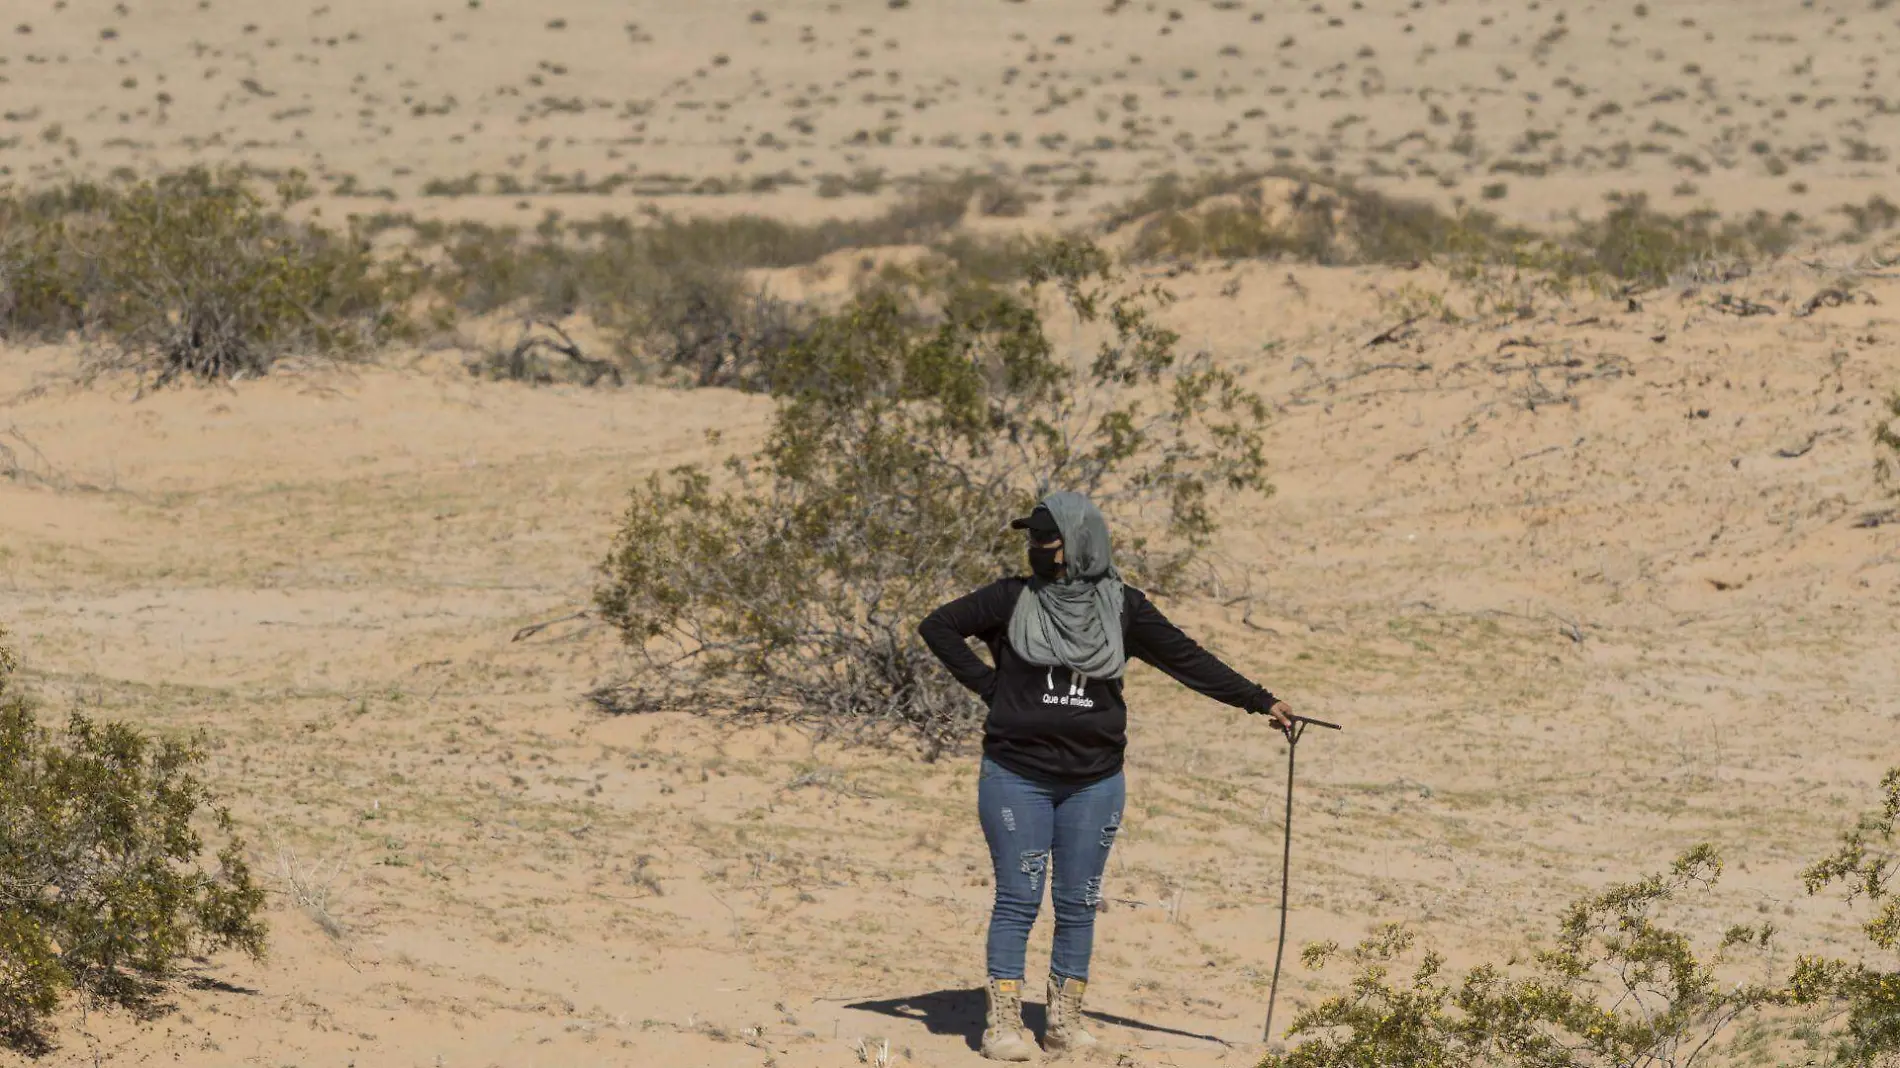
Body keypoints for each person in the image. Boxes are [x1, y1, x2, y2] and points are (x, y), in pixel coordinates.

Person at [918, 491, 1295, 1061]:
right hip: (1016, 774)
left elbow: (1186, 659)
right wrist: (990, 688)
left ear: (1078, 544)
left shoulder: (1124, 608)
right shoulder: (1010, 598)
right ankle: (1003, 1024)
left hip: (1095, 779)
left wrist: (1258, 700)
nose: (1035, 549)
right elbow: (939, 625)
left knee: (1078, 900)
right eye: (1032, 540)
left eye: (1045, 540)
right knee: (1019, 897)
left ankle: (1064, 1022)